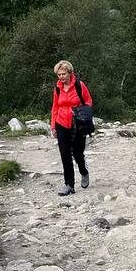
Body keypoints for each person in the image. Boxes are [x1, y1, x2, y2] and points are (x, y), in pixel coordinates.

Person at [50, 60, 92, 196]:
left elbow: (88, 101)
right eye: (59, 74)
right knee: (65, 154)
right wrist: (53, 126)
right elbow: (55, 107)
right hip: (61, 123)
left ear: (70, 73)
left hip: (78, 124)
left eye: (63, 74)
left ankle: (84, 172)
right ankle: (69, 185)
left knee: (78, 153)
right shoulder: (58, 88)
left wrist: (82, 114)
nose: (61, 77)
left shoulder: (79, 85)